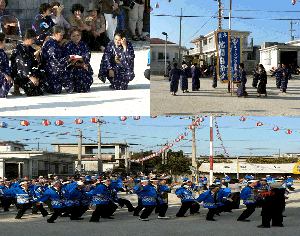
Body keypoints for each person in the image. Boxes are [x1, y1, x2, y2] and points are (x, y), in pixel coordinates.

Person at [10, 29, 46, 96]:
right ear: (26, 39)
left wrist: (37, 56)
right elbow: (22, 65)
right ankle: (18, 89)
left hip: (30, 73)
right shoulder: (19, 49)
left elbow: (35, 59)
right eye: (32, 39)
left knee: (41, 88)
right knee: (33, 88)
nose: (33, 41)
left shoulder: (29, 48)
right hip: (22, 75)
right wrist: (30, 76)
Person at [40, 25, 71, 94]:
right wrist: (67, 59)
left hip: (54, 68)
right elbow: (54, 60)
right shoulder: (51, 44)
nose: (62, 37)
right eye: (60, 35)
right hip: (52, 70)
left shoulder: (54, 42)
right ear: (55, 34)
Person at [62, 27, 93, 93]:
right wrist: (77, 63)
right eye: (74, 36)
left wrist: (80, 59)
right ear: (70, 36)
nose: (76, 37)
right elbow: (66, 58)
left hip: (84, 65)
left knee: (85, 75)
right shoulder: (67, 46)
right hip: (72, 67)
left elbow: (88, 55)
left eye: (78, 35)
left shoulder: (84, 44)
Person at [0, 32, 13, 98]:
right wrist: (5, 75)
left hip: (2, 76)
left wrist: (8, 75)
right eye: (4, 41)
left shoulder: (3, 53)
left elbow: (6, 66)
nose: (5, 43)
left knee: (9, 80)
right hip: (1, 75)